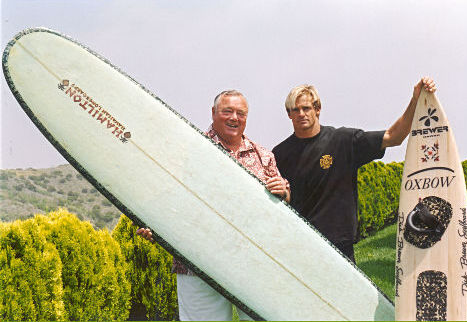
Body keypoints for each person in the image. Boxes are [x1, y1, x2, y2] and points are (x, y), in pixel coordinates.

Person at [137, 90, 290, 321]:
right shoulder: (189, 149)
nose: (234, 118)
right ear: (213, 113)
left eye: (240, 113)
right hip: (197, 265)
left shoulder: (263, 156)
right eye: (227, 111)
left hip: (253, 266)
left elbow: (283, 201)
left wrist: (285, 192)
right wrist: (154, 225)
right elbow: (165, 194)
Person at [272, 77, 436, 263]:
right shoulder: (279, 154)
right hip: (301, 245)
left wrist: (415, 100)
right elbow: (281, 199)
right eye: (295, 110)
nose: (301, 113)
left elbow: (394, 137)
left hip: (340, 244)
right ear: (289, 114)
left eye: (306, 108)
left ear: (317, 109)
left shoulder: (343, 140)